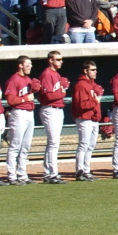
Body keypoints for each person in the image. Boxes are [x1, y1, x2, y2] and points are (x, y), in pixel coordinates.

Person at [36, 50, 70, 183]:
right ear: (50, 60)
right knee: (53, 143)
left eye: (61, 59)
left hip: (58, 109)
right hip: (49, 109)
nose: (61, 61)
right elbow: (48, 96)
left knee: (53, 143)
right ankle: (52, 174)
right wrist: (62, 92)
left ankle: (49, 173)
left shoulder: (56, 74)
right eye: (58, 59)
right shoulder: (46, 74)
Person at [4, 55, 37, 185]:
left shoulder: (28, 79)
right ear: (20, 65)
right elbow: (10, 100)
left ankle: (22, 174)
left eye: (30, 64)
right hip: (18, 113)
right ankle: (12, 176)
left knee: (25, 146)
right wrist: (25, 99)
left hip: (29, 112)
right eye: (27, 64)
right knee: (15, 145)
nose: (30, 67)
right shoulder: (14, 80)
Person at [70, 60, 104, 181]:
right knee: (84, 145)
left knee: (91, 145)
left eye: (95, 70)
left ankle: (86, 170)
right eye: (92, 70)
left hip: (93, 119)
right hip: (84, 118)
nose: (95, 72)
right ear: (86, 71)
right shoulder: (81, 85)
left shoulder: (91, 84)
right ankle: (79, 172)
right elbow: (82, 105)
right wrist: (95, 100)